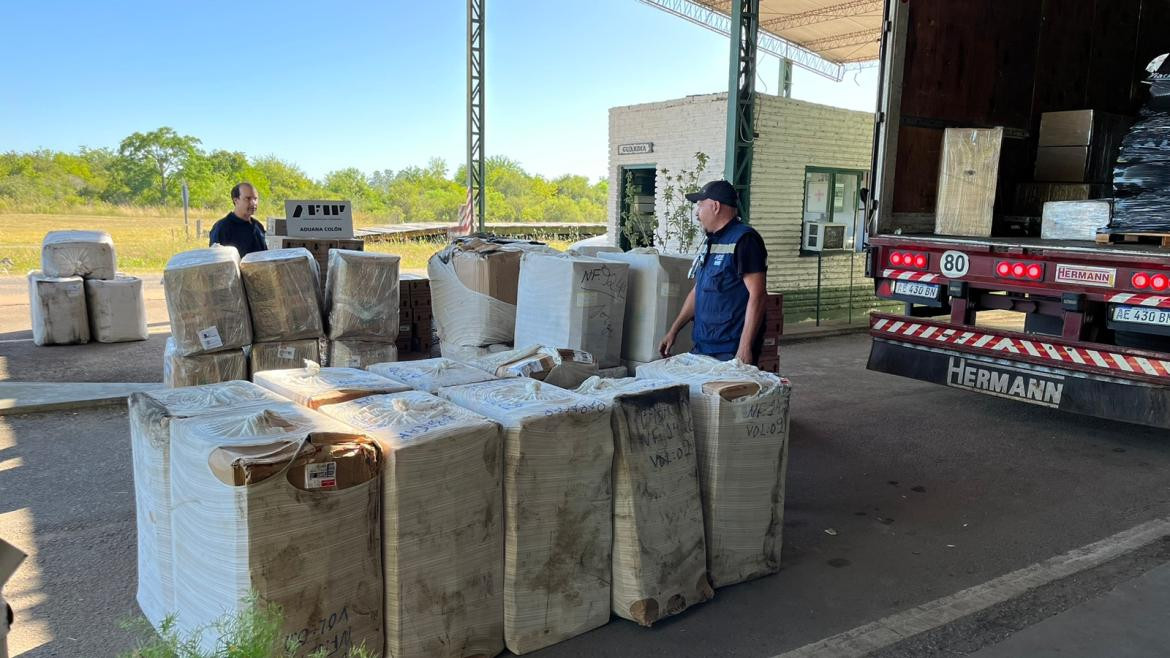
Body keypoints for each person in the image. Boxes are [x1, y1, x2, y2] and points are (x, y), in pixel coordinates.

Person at [659, 179, 768, 364]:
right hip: (704, 345)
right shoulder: (711, 242)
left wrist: (744, 347)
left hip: (730, 350)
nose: (697, 213)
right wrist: (674, 330)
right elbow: (699, 290)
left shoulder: (745, 240)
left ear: (715, 206)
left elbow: (757, 295)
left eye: (700, 205)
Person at [208, 182, 267, 257]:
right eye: (248, 199)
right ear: (236, 200)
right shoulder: (222, 228)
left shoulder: (258, 226)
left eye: (255, 199)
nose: (253, 203)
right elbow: (216, 260)